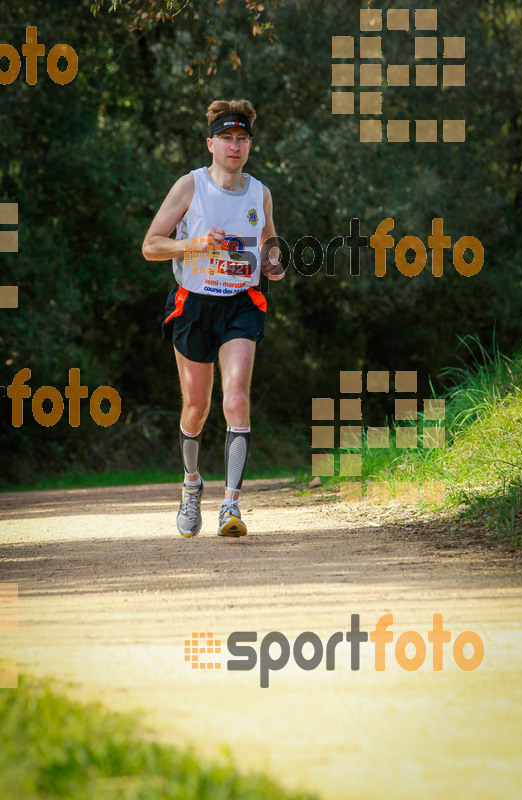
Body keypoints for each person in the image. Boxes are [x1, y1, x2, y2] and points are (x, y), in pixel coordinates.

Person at [142, 98, 284, 538]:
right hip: (194, 304)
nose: (235, 146)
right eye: (227, 138)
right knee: (196, 408)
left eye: (242, 139)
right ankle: (191, 486)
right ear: (211, 144)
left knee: (236, 398)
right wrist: (197, 245)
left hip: (240, 303)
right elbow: (150, 245)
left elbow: (269, 240)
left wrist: (273, 261)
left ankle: (231, 506)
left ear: (249, 145)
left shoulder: (260, 192)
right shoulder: (190, 187)